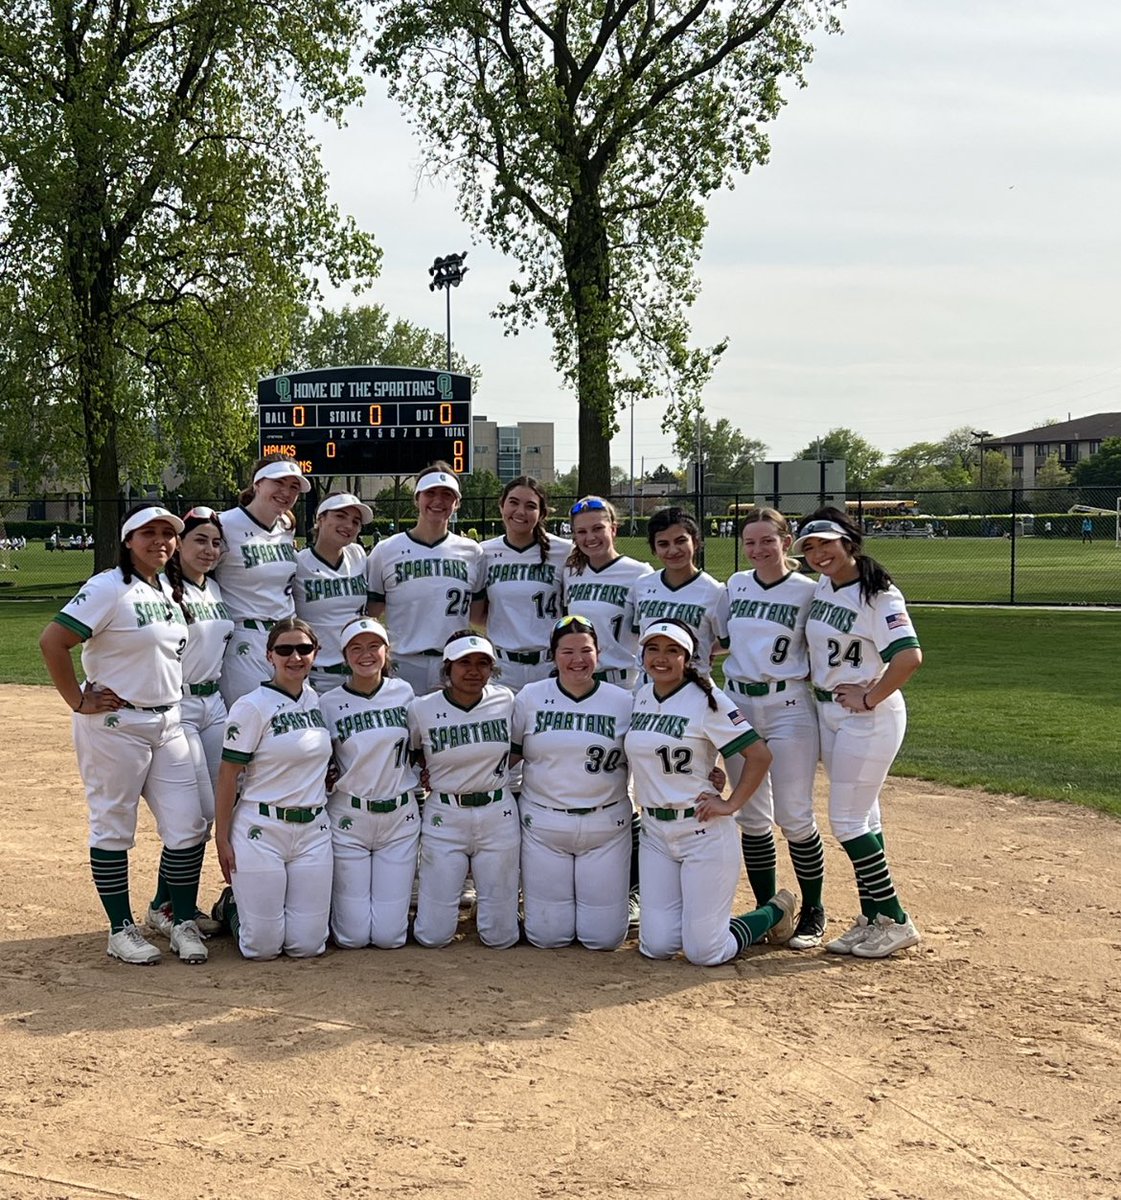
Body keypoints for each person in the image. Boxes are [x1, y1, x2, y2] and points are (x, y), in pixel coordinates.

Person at [39, 505, 209, 966]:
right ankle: (120, 929)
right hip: (117, 725)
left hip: (168, 720)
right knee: (114, 826)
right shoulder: (107, 587)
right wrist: (77, 699)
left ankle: (176, 916)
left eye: (168, 534)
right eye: (149, 533)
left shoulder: (169, 591)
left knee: (188, 826)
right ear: (128, 540)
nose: (161, 541)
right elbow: (53, 640)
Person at [624, 619, 795, 966]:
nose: (661, 658)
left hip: (701, 830)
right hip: (655, 832)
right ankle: (701, 924)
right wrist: (707, 769)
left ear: (687, 658)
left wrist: (731, 803)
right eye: (653, 649)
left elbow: (759, 754)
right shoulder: (642, 696)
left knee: (705, 952)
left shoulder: (708, 700)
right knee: (657, 946)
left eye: (673, 650)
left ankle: (774, 911)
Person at [792, 508, 923, 959]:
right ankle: (873, 918)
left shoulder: (879, 595)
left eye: (825, 543)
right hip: (832, 711)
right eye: (808, 547)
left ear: (849, 541)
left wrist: (870, 697)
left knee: (847, 822)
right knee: (865, 818)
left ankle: (896, 917)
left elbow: (909, 657)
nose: (817, 554)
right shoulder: (827, 586)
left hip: (867, 717)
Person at [716, 508, 827, 949]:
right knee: (751, 815)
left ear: (786, 541)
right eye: (750, 542)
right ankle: (771, 910)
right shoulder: (736, 584)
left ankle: (813, 909)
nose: (759, 549)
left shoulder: (809, 590)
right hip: (740, 703)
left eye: (768, 540)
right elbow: (717, 639)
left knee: (795, 814)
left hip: (788, 703)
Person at [212, 618, 333, 960]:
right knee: (261, 948)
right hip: (261, 828)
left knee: (307, 945)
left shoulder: (316, 702)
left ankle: (253, 902)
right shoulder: (252, 706)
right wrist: (222, 837)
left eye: (304, 649)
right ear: (270, 656)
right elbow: (228, 774)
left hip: (312, 831)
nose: (295, 657)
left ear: (315, 654)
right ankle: (231, 907)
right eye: (284, 650)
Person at [511, 615, 634, 950]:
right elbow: (508, 755)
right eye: (567, 651)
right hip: (544, 823)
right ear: (552, 655)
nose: (577, 659)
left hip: (605, 823)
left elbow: (650, 753)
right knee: (548, 937)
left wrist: (708, 771)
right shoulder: (530, 697)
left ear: (599, 652)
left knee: (604, 938)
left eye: (586, 650)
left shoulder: (623, 702)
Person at [146, 506, 235, 939]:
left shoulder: (214, 590)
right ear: (179, 544)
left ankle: (177, 901)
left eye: (216, 542)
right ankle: (166, 906)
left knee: (219, 808)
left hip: (213, 702)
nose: (210, 549)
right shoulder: (159, 589)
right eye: (200, 539)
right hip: (177, 705)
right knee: (193, 815)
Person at [407, 631, 519, 949]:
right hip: (446, 812)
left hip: (497, 809)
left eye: (483, 663)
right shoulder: (422, 708)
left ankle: (496, 912)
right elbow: (416, 751)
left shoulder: (506, 701)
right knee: (433, 936)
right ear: (447, 668)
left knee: (501, 937)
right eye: (464, 663)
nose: (473, 670)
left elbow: (520, 746)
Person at [319, 617, 420, 949]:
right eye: (356, 648)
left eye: (374, 645)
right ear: (344, 655)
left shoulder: (405, 693)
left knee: (390, 937)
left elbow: (421, 745)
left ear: (386, 651)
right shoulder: (328, 702)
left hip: (398, 818)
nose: (366, 654)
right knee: (352, 938)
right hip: (350, 816)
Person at [365, 463, 485, 696]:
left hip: (453, 660)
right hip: (403, 661)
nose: (438, 501)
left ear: (457, 503)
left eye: (447, 495)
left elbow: (479, 615)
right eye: (430, 493)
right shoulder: (385, 550)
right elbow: (371, 612)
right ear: (417, 498)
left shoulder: (473, 552)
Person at [213, 456, 309, 707]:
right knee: (252, 721)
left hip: (287, 638)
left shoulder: (286, 527)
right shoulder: (224, 524)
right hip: (244, 639)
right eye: (279, 482)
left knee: (293, 719)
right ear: (257, 483)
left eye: (294, 487)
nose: (286, 492)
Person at [480, 476, 571, 692]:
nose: (520, 511)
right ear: (501, 505)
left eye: (530, 506)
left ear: (542, 513)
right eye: (513, 502)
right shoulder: (483, 552)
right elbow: (478, 613)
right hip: (502, 666)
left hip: (550, 665)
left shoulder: (564, 551)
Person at [562, 497, 652, 688]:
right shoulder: (570, 572)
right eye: (582, 532)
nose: (590, 537)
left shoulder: (639, 573)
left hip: (624, 682)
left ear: (613, 529)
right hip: (580, 682)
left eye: (597, 528)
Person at [294, 492, 373, 693]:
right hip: (317, 674)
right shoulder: (298, 563)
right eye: (340, 516)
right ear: (320, 518)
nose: (349, 525)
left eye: (356, 521)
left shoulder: (357, 555)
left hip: (358, 672)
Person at [631, 507, 723, 674]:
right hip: (647, 684)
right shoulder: (642, 585)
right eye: (663, 544)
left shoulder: (715, 591)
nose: (673, 550)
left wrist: (701, 652)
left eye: (680, 541)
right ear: (654, 549)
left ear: (695, 542)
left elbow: (728, 641)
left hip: (693, 684)